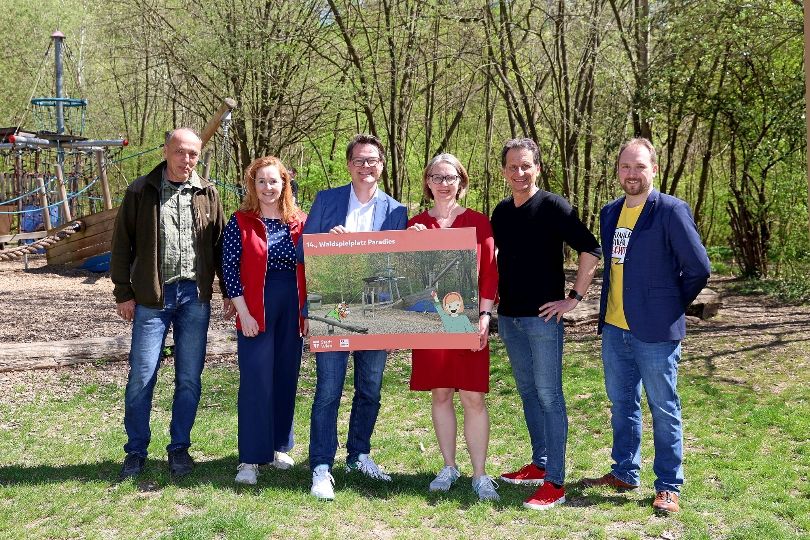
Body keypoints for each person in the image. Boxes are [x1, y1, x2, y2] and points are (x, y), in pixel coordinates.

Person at [583, 138, 710, 515]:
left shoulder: (671, 211)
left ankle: (669, 485)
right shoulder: (609, 213)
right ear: (617, 171)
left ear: (654, 168)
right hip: (615, 327)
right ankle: (624, 471)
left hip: (656, 331)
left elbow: (699, 268)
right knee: (622, 402)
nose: (632, 174)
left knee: (663, 406)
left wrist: (671, 304)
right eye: (625, 167)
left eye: (640, 166)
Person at [111, 128, 229, 480]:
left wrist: (229, 291)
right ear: (166, 151)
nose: (187, 159)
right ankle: (135, 451)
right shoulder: (140, 191)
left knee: (189, 379)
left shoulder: (208, 192)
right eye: (180, 152)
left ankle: (179, 449)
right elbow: (122, 246)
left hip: (195, 297)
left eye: (193, 153)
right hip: (152, 299)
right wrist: (124, 293)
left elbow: (221, 246)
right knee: (142, 376)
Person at [490, 138, 602, 509]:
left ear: (537, 167)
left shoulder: (554, 206)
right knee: (527, 391)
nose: (519, 173)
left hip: (543, 319)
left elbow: (591, 248)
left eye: (526, 166)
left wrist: (575, 298)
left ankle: (555, 481)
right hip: (509, 319)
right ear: (504, 171)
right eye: (512, 167)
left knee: (550, 395)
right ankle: (539, 464)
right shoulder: (502, 211)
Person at [302, 134, 407, 500]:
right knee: (328, 390)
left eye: (373, 161)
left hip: (376, 311)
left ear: (382, 165)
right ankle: (320, 466)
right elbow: (303, 250)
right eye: (360, 160)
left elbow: (399, 262)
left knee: (370, 389)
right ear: (349, 165)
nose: (366, 167)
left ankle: (359, 454)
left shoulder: (396, 210)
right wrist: (327, 239)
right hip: (333, 307)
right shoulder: (327, 200)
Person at [407, 153, 500, 501]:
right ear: (428, 182)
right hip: (431, 320)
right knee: (441, 393)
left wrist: (485, 316)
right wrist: (410, 243)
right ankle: (449, 466)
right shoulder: (416, 224)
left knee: (473, 396)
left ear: (461, 182)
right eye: (436, 177)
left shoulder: (478, 222)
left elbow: (489, 271)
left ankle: (479, 474)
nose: (443, 183)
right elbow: (408, 275)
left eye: (450, 177)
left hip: (468, 318)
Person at [220, 156, 308, 485]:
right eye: (261, 182)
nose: (267, 187)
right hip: (256, 306)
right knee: (257, 380)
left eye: (274, 181)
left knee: (286, 375)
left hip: (292, 306)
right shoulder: (241, 221)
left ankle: (279, 446)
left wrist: (309, 311)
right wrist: (244, 312)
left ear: (284, 184)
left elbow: (314, 265)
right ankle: (250, 458)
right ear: (252, 186)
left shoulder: (299, 221)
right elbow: (230, 271)